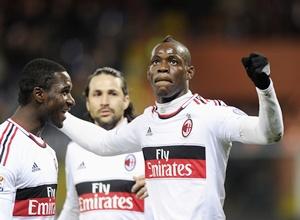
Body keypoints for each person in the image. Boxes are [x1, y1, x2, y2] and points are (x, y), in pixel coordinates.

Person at [60, 36, 284, 220]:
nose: (163, 67)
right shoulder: (145, 124)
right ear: (149, 73)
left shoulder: (211, 115)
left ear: (190, 72)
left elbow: (269, 133)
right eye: (156, 61)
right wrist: (58, 114)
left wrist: (264, 87)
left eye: (173, 61)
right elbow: (102, 144)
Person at [58, 67, 151, 220]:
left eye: (112, 93)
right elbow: (73, 208)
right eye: (97, 94)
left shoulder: (147, 143)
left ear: (126, 100)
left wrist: (162, 183)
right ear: (87, 103)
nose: (104, 102)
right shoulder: (75, 149)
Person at [0, 58, 75, 219]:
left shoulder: (48, 153)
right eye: (64, 91)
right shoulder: (5, 146)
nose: (71, 100)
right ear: (39, 94)